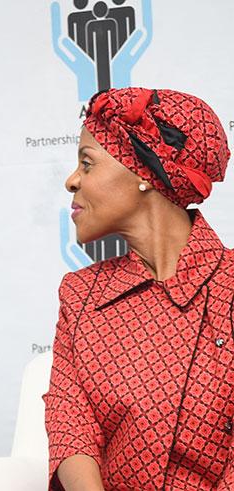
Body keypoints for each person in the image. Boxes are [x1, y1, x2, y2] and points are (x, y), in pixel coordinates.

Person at [44, 87, 232, 490]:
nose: (72, 180)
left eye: (87, 163)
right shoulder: (80, 295)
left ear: (144, 173)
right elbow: (70, 425)